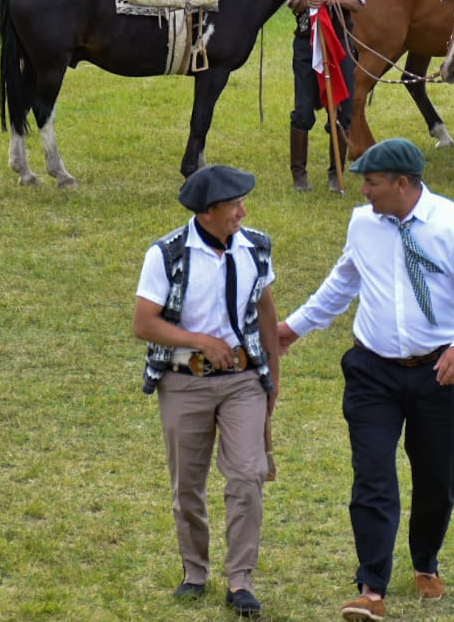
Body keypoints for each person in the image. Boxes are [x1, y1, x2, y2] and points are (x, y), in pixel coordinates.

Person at [276, 137, 454, 622]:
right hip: (372, 370)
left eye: (371, 184)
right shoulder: (363, 224)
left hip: (440, 371)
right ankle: (371, 586)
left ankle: (425, 561)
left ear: (402, 184)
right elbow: (343, 281)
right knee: (372, 474)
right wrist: (294, 327)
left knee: (437, 477)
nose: (364, 193)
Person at [133, 164, 278, 619]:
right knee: (187, 485)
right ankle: (194, 572)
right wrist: (202, 341)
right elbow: (144, 323)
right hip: (184, 382)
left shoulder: (256, 247)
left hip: (241, 381)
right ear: (207, 212)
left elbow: (266, 310)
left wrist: (272, 378)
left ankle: (240, 580)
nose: (243, 210)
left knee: (248, 475)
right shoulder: (167, 254)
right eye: (234, 205)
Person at [287, 0, 363, 193]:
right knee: (303, 111)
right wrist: (306, 2)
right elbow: (292, 1)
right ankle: (299, 173)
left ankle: (336, 173)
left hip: (340, 43)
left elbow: (358, 3)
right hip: (307, 42)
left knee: (343, 110)